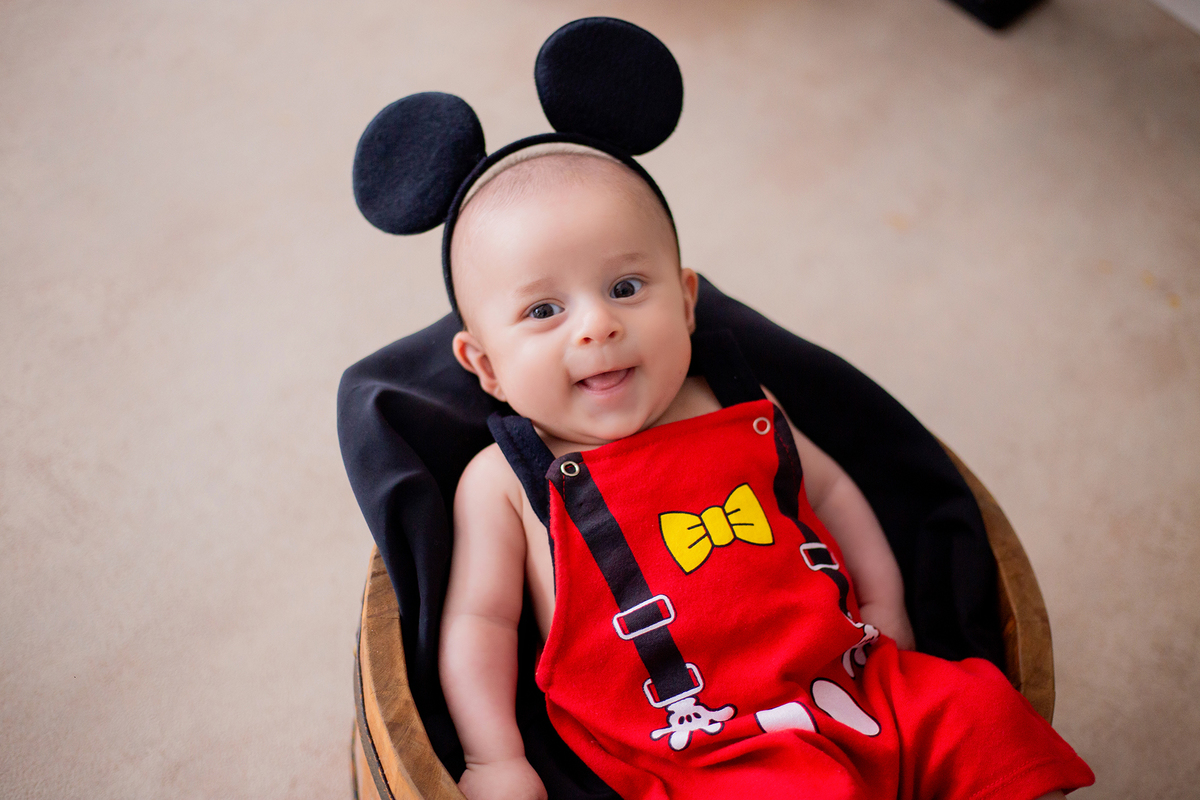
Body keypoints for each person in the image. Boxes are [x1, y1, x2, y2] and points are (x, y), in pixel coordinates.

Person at [437, 146, 1093, 800]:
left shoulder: (738, 403)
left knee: (984, 716)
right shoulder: (504, 482)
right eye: (544, 310)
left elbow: (831, 492)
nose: (598, 326)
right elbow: (481, 622)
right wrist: (494, 758)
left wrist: (882, 605)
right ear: (487, 366)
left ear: (688, 303)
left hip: (858, 672)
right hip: (711, 742)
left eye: (626, 288)